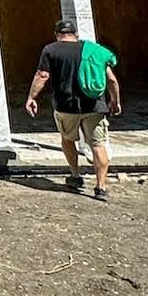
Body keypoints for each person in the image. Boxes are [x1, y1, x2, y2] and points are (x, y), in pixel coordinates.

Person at [25, 21, 121, 200]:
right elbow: (112, 80)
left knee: (67, 139)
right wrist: (115, 101)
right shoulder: (94, 51)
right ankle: (101, 187)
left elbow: (42, 76)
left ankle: (75, 176)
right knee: (98, 145)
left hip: (65, 107)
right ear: (75, 34)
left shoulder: (50, 50)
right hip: (94, 106)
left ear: (56, 34)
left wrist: (32, 98)